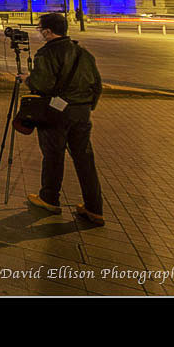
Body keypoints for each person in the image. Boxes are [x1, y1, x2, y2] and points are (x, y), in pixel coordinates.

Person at [25, 12, 105, 226]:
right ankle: (94, 208)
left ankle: (49, 199)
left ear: (48, 32)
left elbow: (42, 85)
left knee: (53, 155)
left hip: (57, 112)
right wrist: (87, 107)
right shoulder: (83, 53)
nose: (40, 32)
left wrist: (27, 80)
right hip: (82, 112)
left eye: (40, 29)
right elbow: (97, 85)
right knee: (85, 159)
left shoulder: (47, 54)